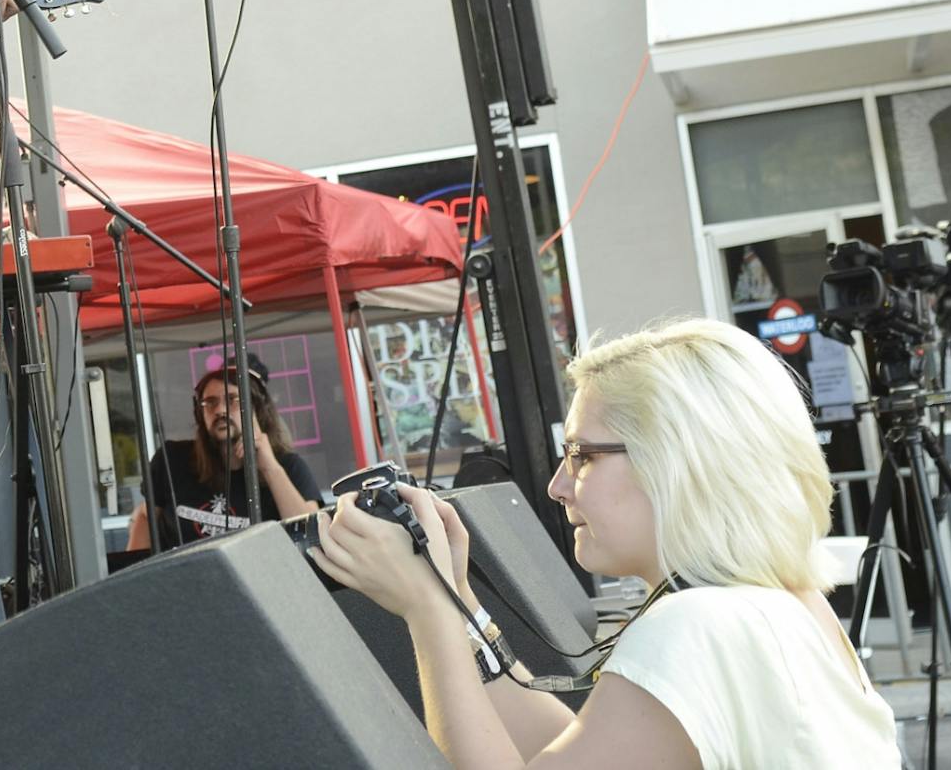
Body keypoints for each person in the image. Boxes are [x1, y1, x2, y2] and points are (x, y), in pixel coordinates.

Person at [310, 318, 901, 769]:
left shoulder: (702, 622)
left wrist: (428, 612)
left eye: (583, 455)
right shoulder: (781, 602)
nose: (558, 485)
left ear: (678, 462)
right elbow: (568, 748)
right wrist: (459, 601)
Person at [125, 354, 322, 550]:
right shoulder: (172, 460)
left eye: (233, 400)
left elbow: (308, 533)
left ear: (257, 410)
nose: (220, 410)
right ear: (199, 414)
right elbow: (145, 516)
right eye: (210, 402)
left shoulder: (288, 466)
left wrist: (270, 468)